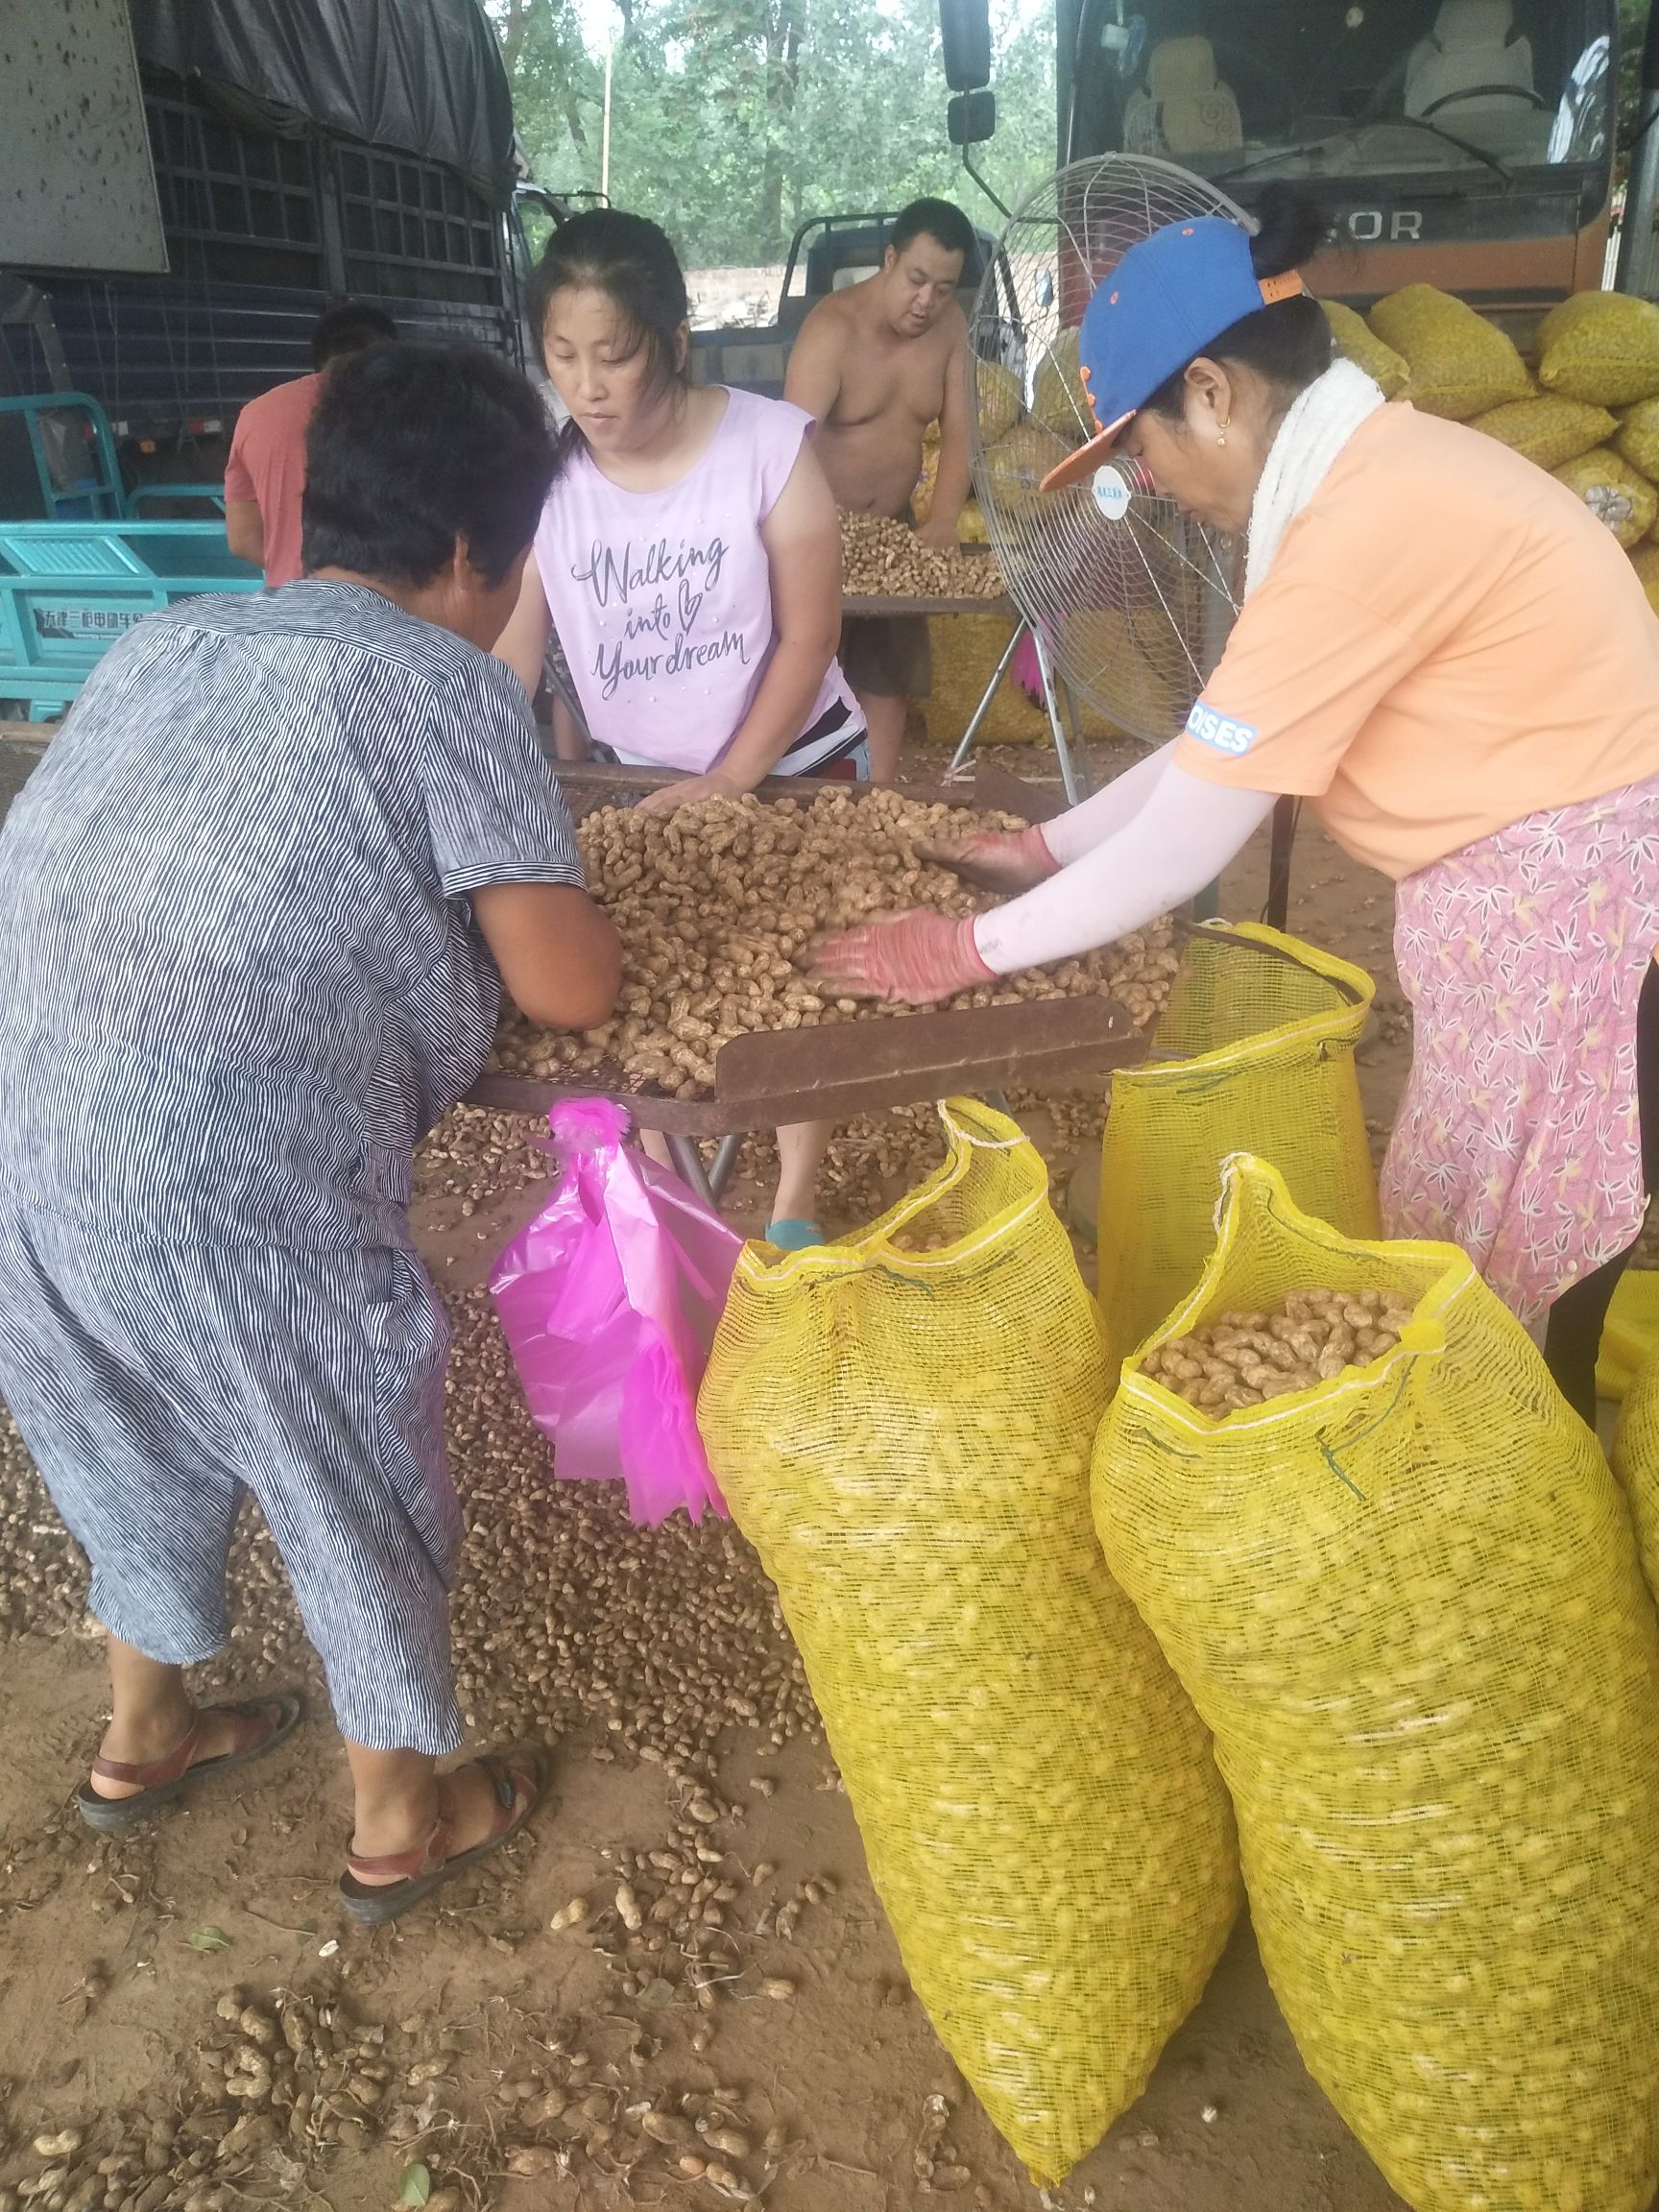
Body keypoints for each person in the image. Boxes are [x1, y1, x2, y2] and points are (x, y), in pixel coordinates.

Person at [811, 185, 1659, 1426]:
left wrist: (957, 952)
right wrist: (1041, 847)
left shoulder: (1361, 521)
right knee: (1474, 1242)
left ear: (1213, 392)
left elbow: (1198, 832)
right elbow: (1226, 749)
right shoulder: (1365, 479)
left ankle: (1515, 1518)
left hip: (1572, 913)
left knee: (1502, 1280)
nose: (1145, 484)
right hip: (1535, 902)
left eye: (1140, 447)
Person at [0, 343, 621, 1922]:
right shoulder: (446, 687)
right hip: (221, 1172)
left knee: (112, 1413)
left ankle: (147, 1731)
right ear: (479, 551)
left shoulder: (166, 644)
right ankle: (402, 1815)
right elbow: (561, 980)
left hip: (26, 1120)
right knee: (337, 1439)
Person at [493, 207, 864, 1248]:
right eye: (563, 357)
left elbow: (809, 636)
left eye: (613, 355)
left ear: (673, 340)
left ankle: (795, 1192)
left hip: (788, 765)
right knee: (648, 995)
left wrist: (735, 779)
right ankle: (679, 1208)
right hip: (638, 787)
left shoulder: (766, 446)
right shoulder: (548, 481)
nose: (588, 386)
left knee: (792, 988)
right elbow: (509, 664)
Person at [785, 198, 976, 781]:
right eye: (917, 280)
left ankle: (880, 803)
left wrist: (942, 520)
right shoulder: (832, 328)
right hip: (819, 532)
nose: (927, 302)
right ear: (890, 260)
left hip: (896, 534)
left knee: (887, 683)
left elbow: (963, 435)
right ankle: (796, 809)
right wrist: (811, 539)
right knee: (802, 674)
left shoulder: (950, 331)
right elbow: (786, 449)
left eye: (943, 289)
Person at [224, 300, 398, 585]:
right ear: (390, 357)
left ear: (319, 357)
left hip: (291, 607)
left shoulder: (256, 414)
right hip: (387, 611)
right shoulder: (405, 408)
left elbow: (242, 539)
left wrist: (294, 565)